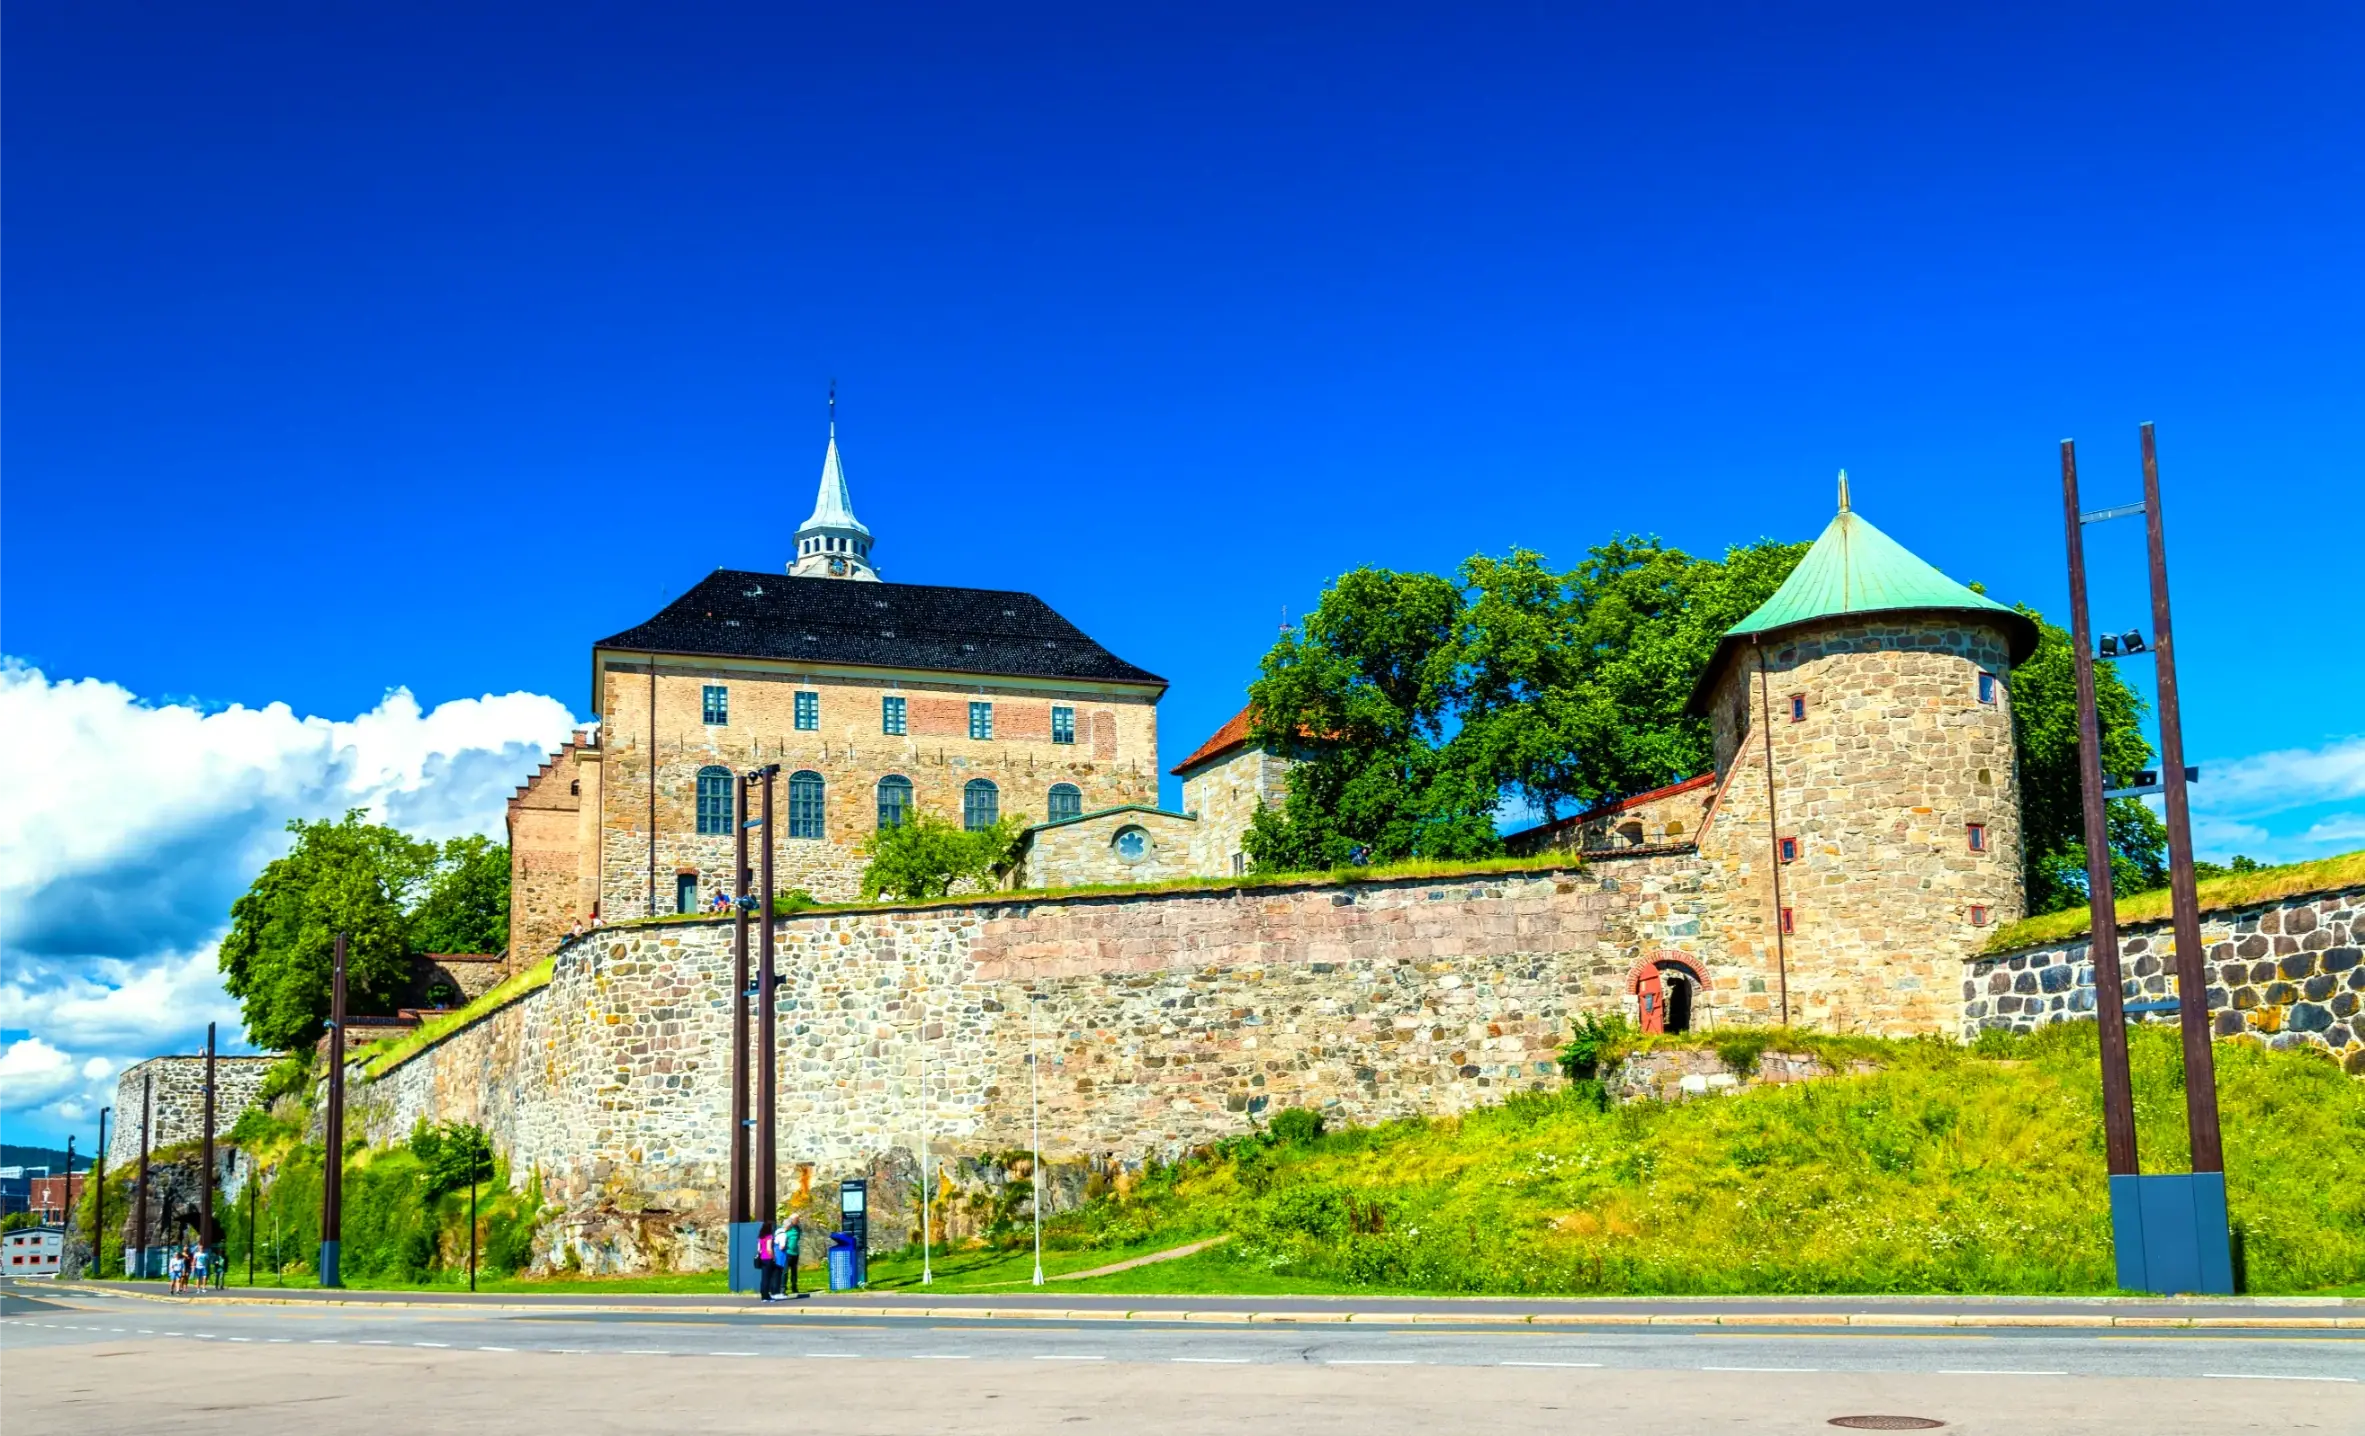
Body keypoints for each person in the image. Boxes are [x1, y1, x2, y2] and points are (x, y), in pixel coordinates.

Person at [777, 1214, 802, 1298]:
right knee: (785, 1271)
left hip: (795, 1253)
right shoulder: (786, 1227)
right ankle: (783, 1289)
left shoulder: (798, 1228)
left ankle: (794, 1287)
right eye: (797, 1219)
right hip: (787, 1252)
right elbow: (780, 1236)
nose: (798, 1221)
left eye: (798, 1220)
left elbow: (797, 1238)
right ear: (792, 1219)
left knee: (794, 1271)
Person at [754, 1221, 778, 1301]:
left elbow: (758, 1249)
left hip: (762, 1259)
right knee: (768, 1278)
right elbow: (769, 1249)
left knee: (764, 1277)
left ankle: (763, 1296)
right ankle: (767, 1296)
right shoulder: (769, 1236)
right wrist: (773, 1257)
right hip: (768, 1258)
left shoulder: (760, 1237)